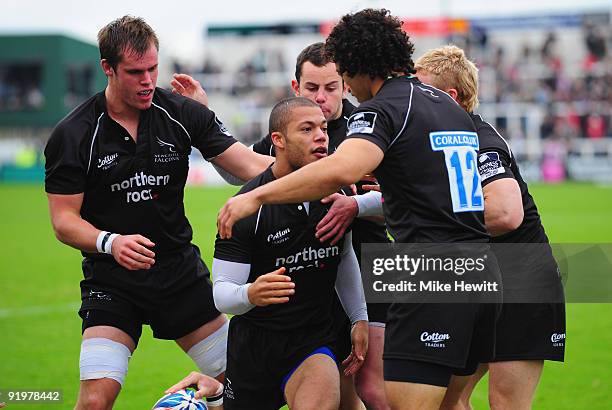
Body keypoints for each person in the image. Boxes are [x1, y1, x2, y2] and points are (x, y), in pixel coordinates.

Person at [216, 9, 500, 410]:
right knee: (453, 405)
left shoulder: (382, 110)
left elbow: (340, 169)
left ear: (358, 66)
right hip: (478, 274)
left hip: (430, 274)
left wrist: (257, 196)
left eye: (344, 75)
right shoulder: (449, 106)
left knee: (399, 403)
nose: (345, 87)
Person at [44, 16, 272, 410]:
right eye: (135, 72)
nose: (148, 80)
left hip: (179, 275)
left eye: (153, 68)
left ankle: (210, 399)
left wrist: (333, 173)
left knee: (244, 386)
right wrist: (109, 243)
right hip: (113, 280)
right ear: (108, 69)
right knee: (95, 400)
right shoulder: (74, 134)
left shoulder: (182, 113)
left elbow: (252, 167)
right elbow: (64, 220)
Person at [173, 42, 390, 409]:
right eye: (312, 88)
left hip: (364, 279)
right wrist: (205, 119)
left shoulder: (366, 128)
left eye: (331, 87)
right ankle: (210, 398)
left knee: (364, 389)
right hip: (280, 316)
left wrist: (358, 205)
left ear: (346, 85)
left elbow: (403, 205)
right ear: (296, 87)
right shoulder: (280, 147)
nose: (321, 99)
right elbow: (243, 166)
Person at [414, 45, 566, 410]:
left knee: (505, 403)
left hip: (521, 284)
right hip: (479, 284)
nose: (413, 104)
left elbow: (505, 213)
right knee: (447, 401)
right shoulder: (442, 145)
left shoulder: (480, 142)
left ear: (450, 97)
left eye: (422, 93)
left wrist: (428, 216)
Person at [212, 96, 368, 409]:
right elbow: (221, 295)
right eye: (307, 129)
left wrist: (358, 317)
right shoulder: (244, 208)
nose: (321, 136)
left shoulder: (337, 194)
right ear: (278, 141)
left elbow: (344, 257)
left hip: (312, 342)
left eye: (323, 128)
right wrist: (251, 293)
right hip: (253, 352)